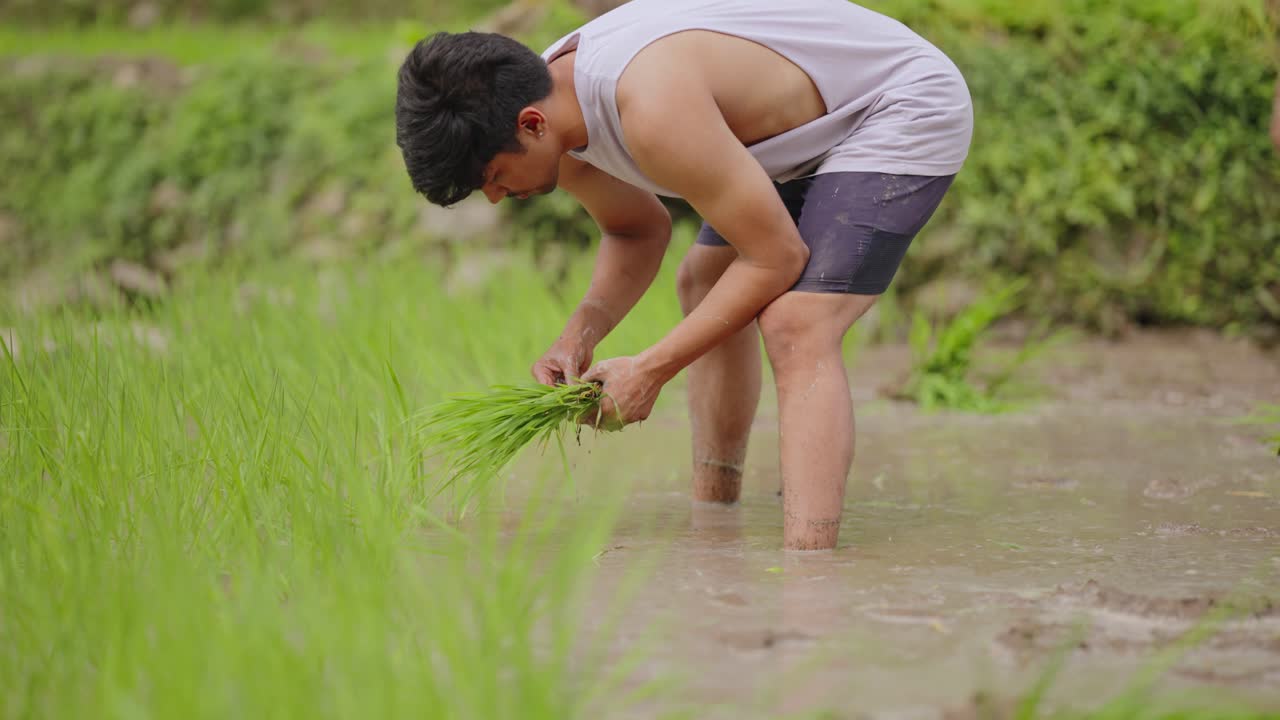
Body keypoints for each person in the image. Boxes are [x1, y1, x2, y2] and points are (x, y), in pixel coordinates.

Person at [395, 0, 973, 550]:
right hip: (794, 136)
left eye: (493, 177)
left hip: (896, 103)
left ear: (531, 124)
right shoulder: (550, 110)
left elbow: (777, 258)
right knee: (703, 281)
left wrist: (651, 370)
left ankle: (811, 570)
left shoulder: (648, 106)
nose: (496, 199)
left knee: (798, 324)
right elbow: (635, 230)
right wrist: (578, 336)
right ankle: (716, 515)